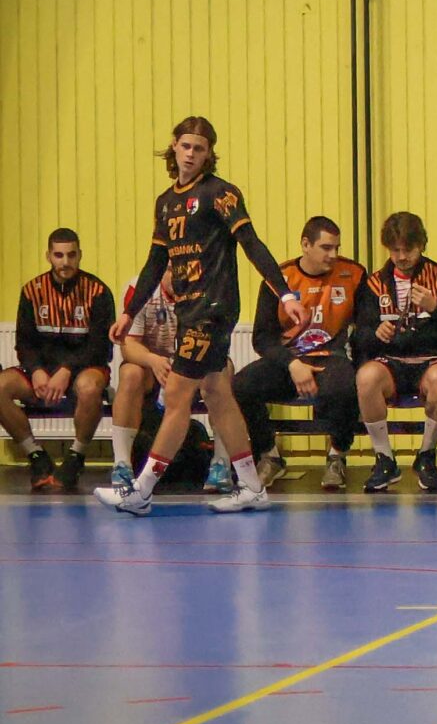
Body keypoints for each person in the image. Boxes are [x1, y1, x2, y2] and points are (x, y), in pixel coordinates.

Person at [92, 116, 307, 515]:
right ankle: (252, 487)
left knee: (177, 395)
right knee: (217, 394)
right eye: (186, 146)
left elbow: (252, 244)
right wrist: (129, 312)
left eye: (200, 149)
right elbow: (155, 263)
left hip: (213, 309)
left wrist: (286, 293)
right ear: (174, 147)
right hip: (187, 309)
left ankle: (141, 491)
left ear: (209, 154)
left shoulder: (220, 193)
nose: (191, 154)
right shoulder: (165, 202)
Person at [235, 215, 365, 491]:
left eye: (337, 248)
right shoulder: (279, 279)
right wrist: (292, 364)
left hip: (331, 357)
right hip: (289, 361)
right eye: (326, 248)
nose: (333, 255)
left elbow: (365, 327)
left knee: (346, 387)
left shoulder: (353, 273)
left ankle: (337, 455)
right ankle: (269, 455)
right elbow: (262, 339)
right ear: (306, 244)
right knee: (241, 386)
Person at [352, 211, 437, 494]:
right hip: (391, 361)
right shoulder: (374, 283)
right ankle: (384, 459)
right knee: (366, 377)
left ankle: (426, 455)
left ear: (421, 245)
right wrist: (375, 333)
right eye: (395, 250)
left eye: (408, 250)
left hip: (431, 359)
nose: (402, 257)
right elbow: (359, 333)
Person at [2, 229, 113, 493]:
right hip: (42, 372)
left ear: (80, 255)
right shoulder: (32, 291)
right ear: (49, 256)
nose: (65, 262)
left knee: (90, 387)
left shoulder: (98, 291)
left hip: (84, 369)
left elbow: (100, 347)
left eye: (71, 255)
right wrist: (36, 371)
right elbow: (24, 342)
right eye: (59, 255)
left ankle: (76, 457)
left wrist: (66, 370)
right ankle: (36, 456)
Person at [104, 275, 182, 498]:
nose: (177, 274)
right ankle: (122, 464)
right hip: (150, 362)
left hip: (189, 364)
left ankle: (220, 465)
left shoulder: (201, 287)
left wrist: (180, 369)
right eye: (171, 269)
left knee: (222, 372)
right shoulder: (139, 288)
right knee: (130, 373)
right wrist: (153, 361)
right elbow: (128, 345)